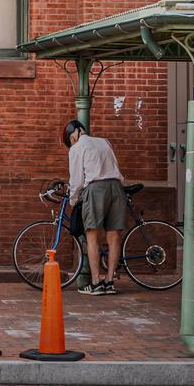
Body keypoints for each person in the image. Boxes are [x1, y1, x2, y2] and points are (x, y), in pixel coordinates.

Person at [64, 118, 126, 294]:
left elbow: (76, 180)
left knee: (92, 237)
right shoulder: (103, 141)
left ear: (73, 137)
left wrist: (73, 200)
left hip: (95, 188)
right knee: (113, 237)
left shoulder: (77, 148)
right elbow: (115, 165)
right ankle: (109, 281)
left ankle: (95, 282)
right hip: (115, 187)